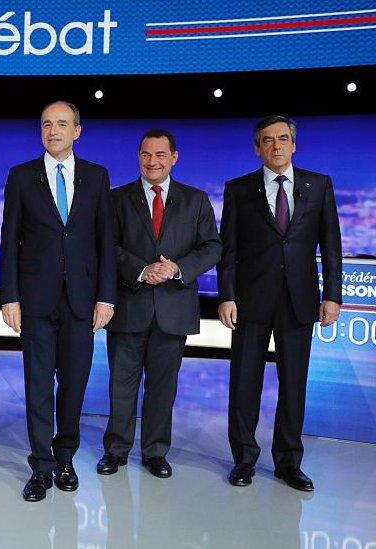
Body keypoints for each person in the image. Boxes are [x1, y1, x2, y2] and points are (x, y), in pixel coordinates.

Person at [218, 115, 342, 491]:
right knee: (244, 383)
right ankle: (244, 459)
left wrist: (333, 295)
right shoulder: (238, 189)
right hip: (250, 302)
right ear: (258, 148)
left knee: (293, 385)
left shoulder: (318, 185)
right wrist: (227, 295)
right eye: (268, 140)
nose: (276, 146)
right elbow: (228, 250)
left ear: (293, 144)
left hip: (299, 301)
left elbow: (331, 246)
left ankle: (289, 462)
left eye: (283, 139)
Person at [0, 101, 116, 501]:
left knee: (74, 384)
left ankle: (65, 458)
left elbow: (106, 242)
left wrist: (106, 297)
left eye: (62, 124)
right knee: (37, 386)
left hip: (83, 301)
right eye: (47, 124)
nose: (53, 131)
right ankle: (41, 467)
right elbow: (9, 240)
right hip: (35, 300)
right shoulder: (21, 177)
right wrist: (10, 297)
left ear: (77, 131)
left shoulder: (97, 177)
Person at [98, 129, 221, 478]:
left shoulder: (195, 200)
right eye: (146, 155)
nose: (153, 162)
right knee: (121, 384)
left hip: (174, 308)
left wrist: (177, 268)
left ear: (174, 157)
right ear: (138, 157)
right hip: (129, 305)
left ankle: (155, 452)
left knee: (163, 387)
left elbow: (212, 247)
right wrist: (142, 270)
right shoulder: (116, 199)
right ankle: (116, 450)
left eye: (160, 155)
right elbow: (107, 247)